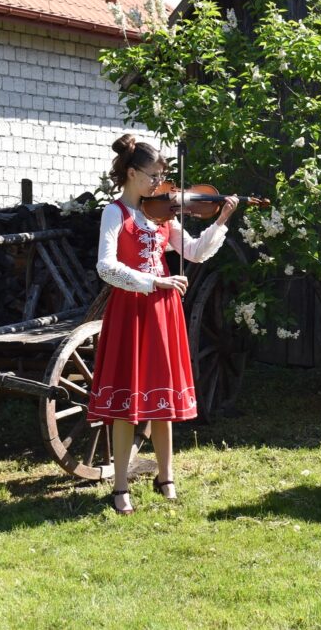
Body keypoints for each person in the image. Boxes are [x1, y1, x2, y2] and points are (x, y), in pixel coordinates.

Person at [88, 134, 238, 515]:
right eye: (154, 176)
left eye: (163, 177)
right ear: (133, 173)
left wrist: (221, 219)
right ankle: (120, 485)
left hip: (163, 311)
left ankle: (165, 476)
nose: (161, 184)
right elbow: (106, 267)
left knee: (163, 399)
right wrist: (153, 281)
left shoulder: (161, 214)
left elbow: (194, 253)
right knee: (126, 403)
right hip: (131, 309)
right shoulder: (114, 213)